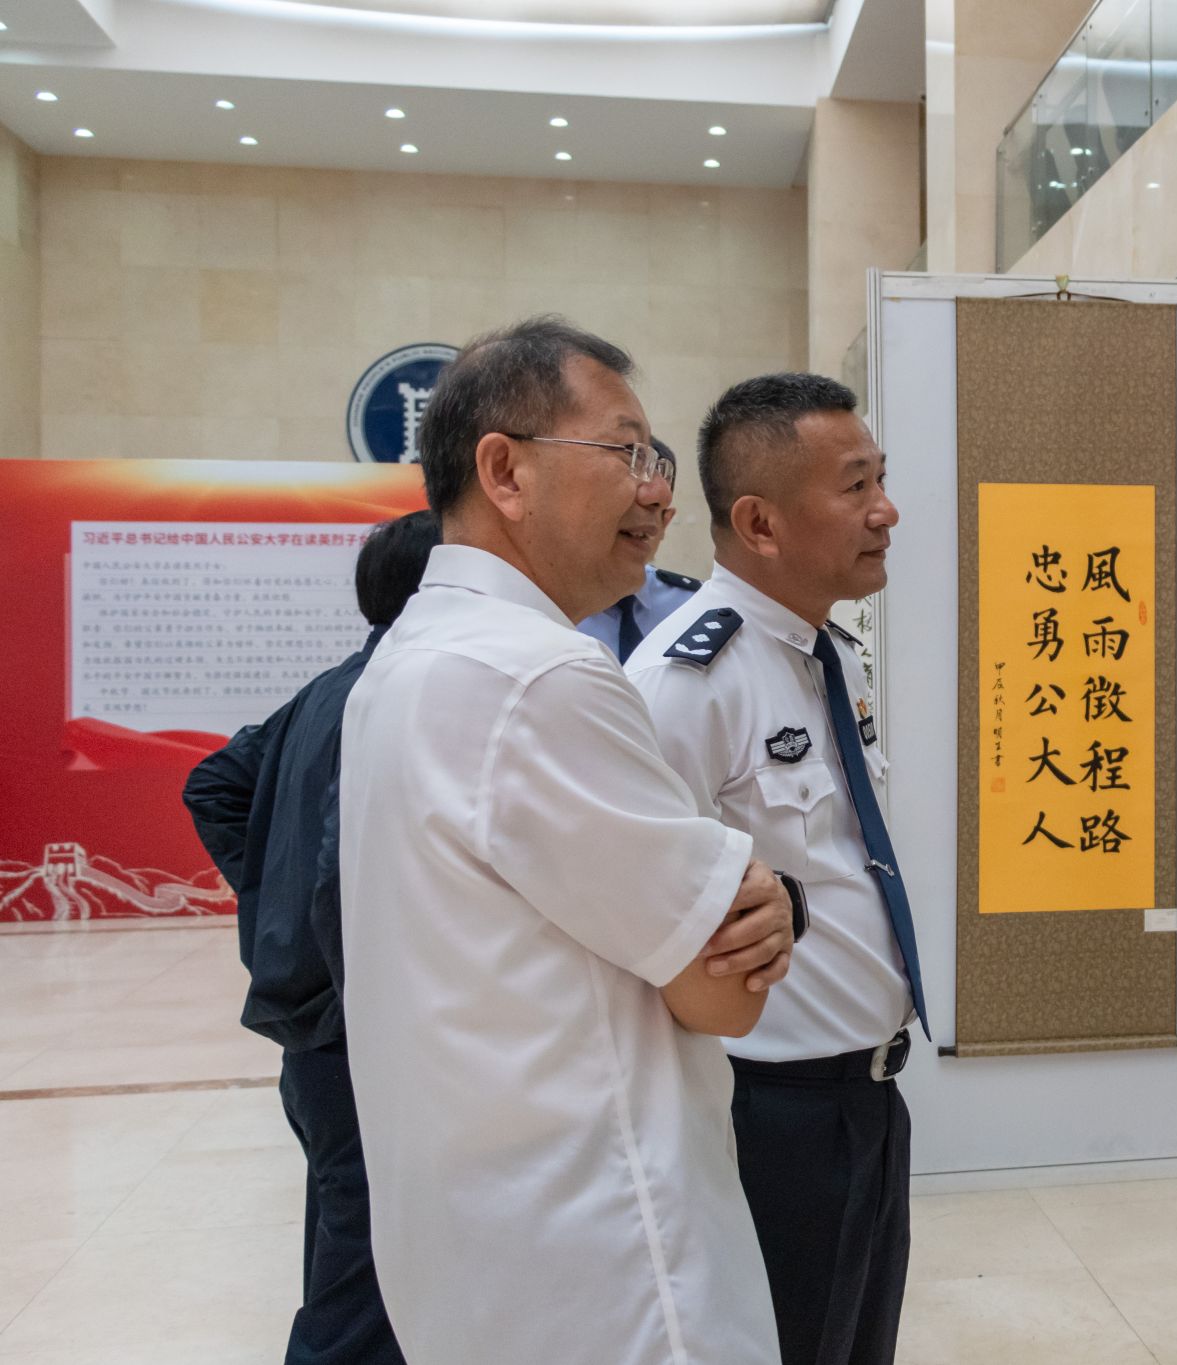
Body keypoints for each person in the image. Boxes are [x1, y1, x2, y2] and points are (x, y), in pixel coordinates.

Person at [337, 316, 794, 1365]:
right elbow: (725, 988)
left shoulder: (408, 662)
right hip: (607, 1257)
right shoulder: (540, 677)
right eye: (626, 452)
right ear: (504, 470)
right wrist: (755, 884)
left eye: (656, 459)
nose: (657, 494)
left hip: (483, 1246)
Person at [626, 372, 923, 1365]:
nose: (885, 511)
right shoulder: (684, 682)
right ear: (759, 522)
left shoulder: (830, 651)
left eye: (880, 478)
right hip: (766, 1114)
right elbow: (638, 919)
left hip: (866, 1097)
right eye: (855, 486)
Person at [182, 508, 439, 1365]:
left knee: (347, 1253)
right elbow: (332, 855)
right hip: (351, 1033)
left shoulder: (333, 686)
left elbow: (214, 783)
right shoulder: (390, 696)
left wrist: (273, 899)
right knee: (360, 1302)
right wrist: (300, 911)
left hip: (314, 1035)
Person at [575, 443, 701, 660]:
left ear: (666, 522)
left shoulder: (694, 606)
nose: (652, 498)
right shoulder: (547, 606)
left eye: (654, 509)